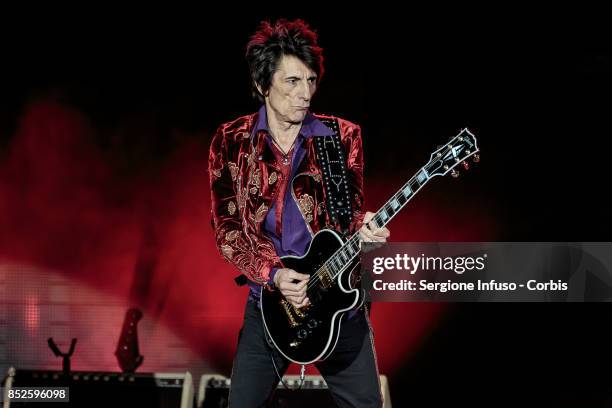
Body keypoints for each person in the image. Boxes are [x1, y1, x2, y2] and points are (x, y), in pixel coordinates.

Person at [208, 19, 390, 407]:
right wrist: (272, 274)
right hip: (270, 306)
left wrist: (367, 230)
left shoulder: (339, 137)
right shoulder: (232, 141)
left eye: (310, 81)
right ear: (262, 86)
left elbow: (348, 217)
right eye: (292, 82)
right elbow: (228, 230)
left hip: (336, 302)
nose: (305, 93)